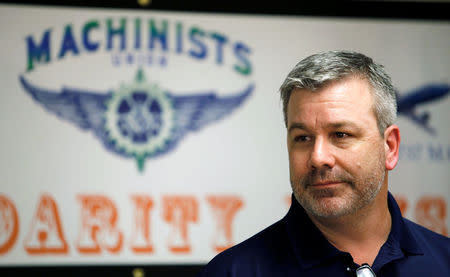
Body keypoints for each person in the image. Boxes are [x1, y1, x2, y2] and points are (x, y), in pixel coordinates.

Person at [197, 50, 449, 276]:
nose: (318, 157)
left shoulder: (444, 262)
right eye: (303, 138)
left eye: (341, 135)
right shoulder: (233, 272)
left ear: (390, 147)